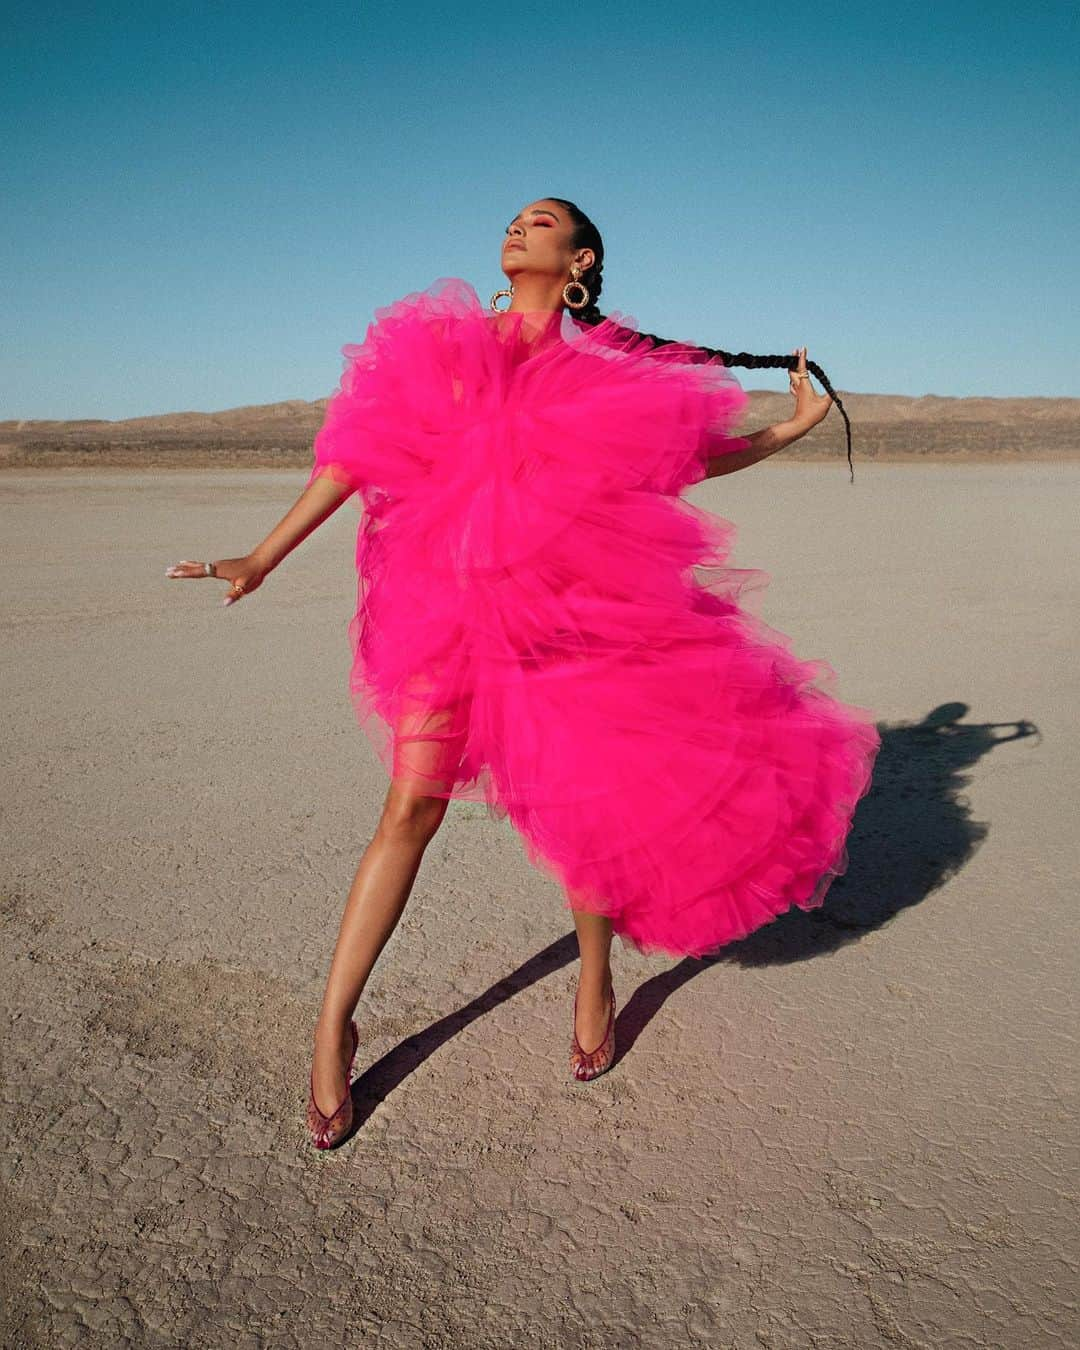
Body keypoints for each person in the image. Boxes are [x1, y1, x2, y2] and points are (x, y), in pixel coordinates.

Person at [166, 197, 881, 1148]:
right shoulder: (442, 348)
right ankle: (333, 1024)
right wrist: (262, 555)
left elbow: (683, 464)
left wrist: (790, 431)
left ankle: (594, 975)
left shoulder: (599, 375)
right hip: (446, 609)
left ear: (579, 258)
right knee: (408, 809)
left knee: (585, 803)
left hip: (568, 609)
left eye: (539, 221)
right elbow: (354, 457)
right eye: (512, 219)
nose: (516, 227)